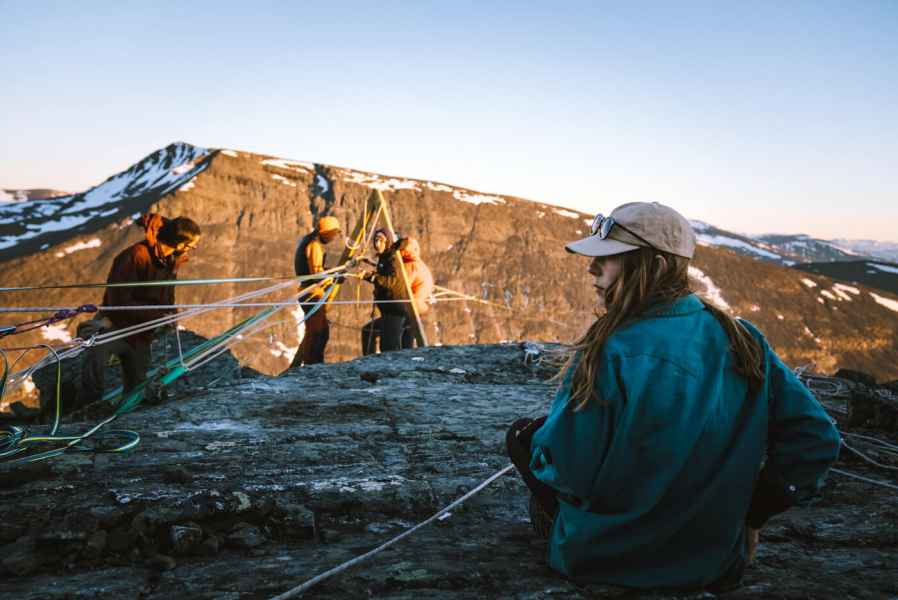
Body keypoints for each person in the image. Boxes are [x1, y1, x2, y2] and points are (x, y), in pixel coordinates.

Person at [506, 202, 840, 592]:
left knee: (524, 437)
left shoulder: (611, 349)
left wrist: (542, 444)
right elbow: (817, 439)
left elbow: (570, 472)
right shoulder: (742, 337)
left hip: (605, 563)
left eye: (607, 259)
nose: (591, 269)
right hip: (715, 565)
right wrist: (753, 515)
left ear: (656, 267)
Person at [77, 213, 201, 408]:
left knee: (137, 387)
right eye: (191, 244)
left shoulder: (170, 261)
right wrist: (159, 317)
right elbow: (118, 301)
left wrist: (171, 315)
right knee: (96, 358)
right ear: (178, 241)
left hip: (142, 333)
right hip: (115, 326)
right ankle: (88, 409)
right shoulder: (135, 256)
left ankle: (123, 412)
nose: (192, 248)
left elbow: (167, 296)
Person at [361, 236, 433, 350]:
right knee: (404, 342)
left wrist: (374, 278)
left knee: (391, 343)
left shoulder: (411, 266)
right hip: (412, 307)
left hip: (408, 307)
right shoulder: (418, 264)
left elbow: (398, 285)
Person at [292, 216, 341, 366]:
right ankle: (311, 364)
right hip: (311, 294)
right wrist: (335, 276)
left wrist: (331, 273)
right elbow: (316, 274)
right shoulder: (314, 245)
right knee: (317, 332)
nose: (333, 238)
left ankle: (313, 362)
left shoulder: (309, 241)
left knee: (321, 331)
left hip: (309, 292)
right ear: (325, 232)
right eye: (333, 234)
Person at [359, 228, 405, 354]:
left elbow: (391, 281)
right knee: (369, 332)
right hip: (388, 309)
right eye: (376, 240)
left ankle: (392, 371)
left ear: (388, 241)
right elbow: (383, 276)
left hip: (395, 308)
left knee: (390, 346)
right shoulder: (385, 257)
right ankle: (370, 364)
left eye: (381, 240)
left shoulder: (393, 258)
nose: (377, 244)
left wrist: (370, 277)